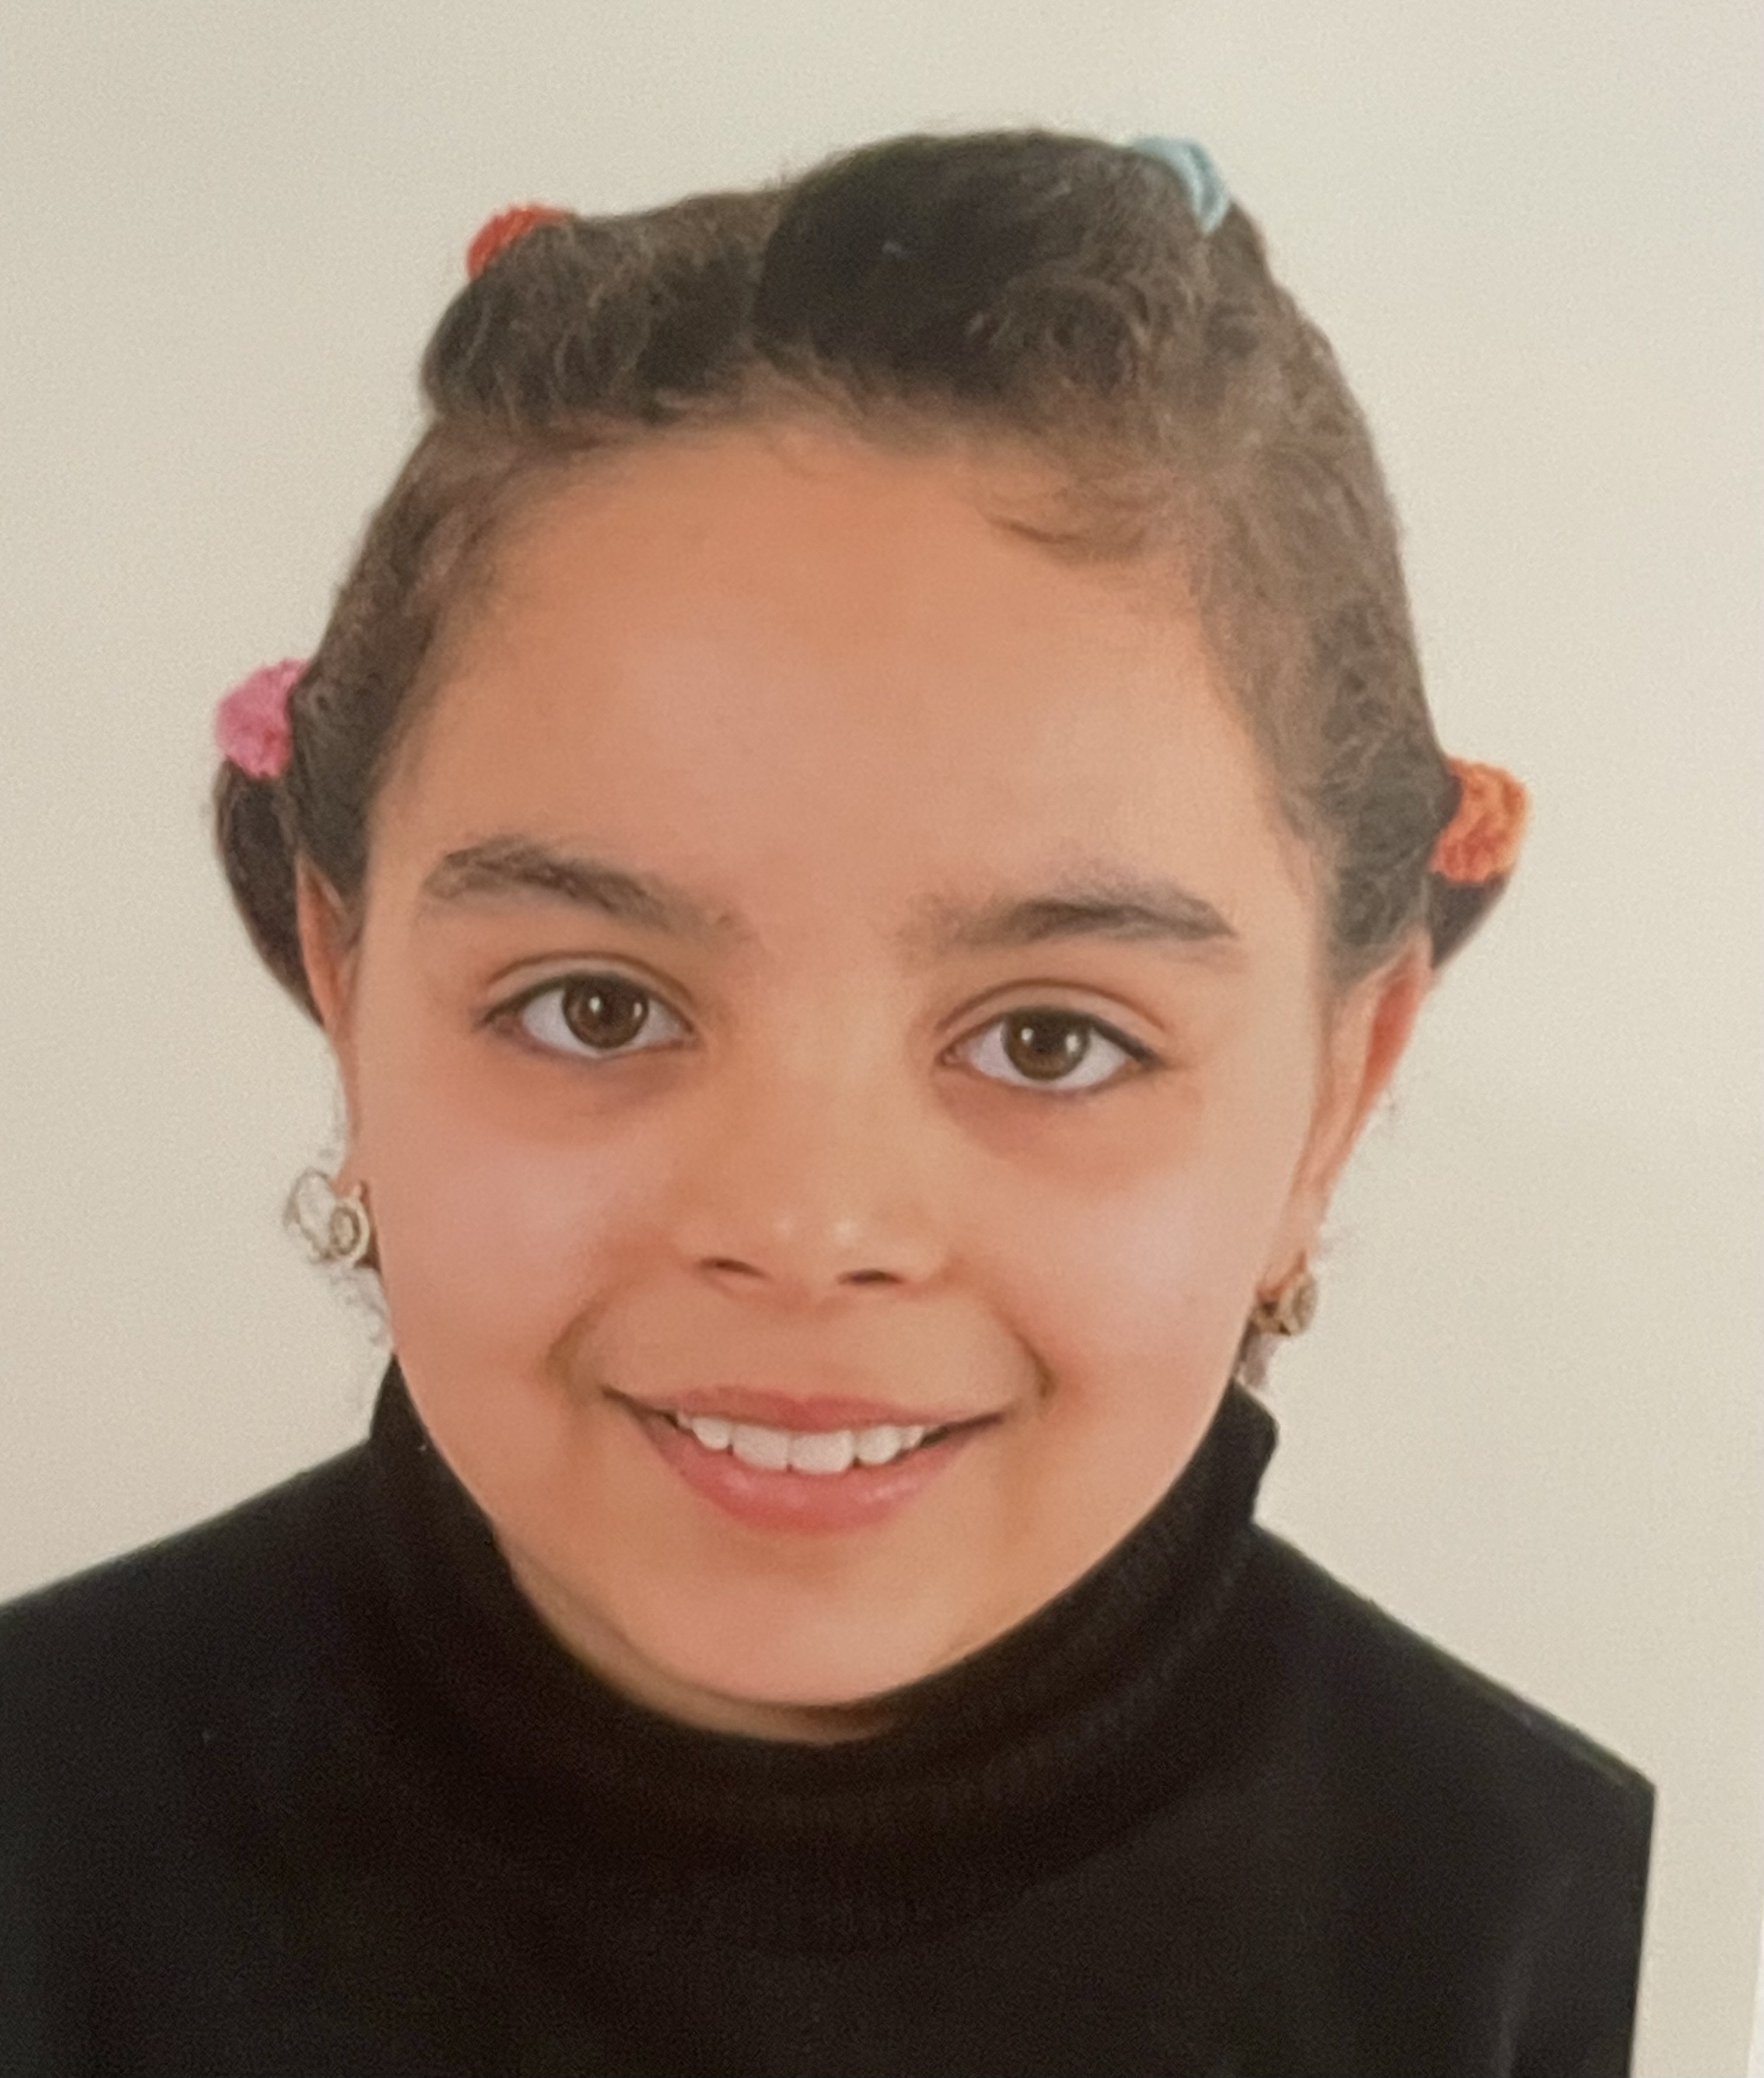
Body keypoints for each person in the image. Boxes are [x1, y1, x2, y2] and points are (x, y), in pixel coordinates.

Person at [0, 130, 1651, 2074]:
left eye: (1052, 1040)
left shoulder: (1564, 1924)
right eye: (598, 1005)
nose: (803, 1225)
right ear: (348, 991)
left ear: (1334, 1094)